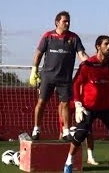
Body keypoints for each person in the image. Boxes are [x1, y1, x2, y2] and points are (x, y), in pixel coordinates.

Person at [63, 35, 109, 173]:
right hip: (88, 107)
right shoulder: (87, 65)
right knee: (80, 135)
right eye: (106, 44)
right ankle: (68, 162)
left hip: (107, 108)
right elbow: (76, 84)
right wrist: (78, 104)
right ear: (98, 46)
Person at [29, 10, 89, 141]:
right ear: (57, 22)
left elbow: (82, 55)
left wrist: (92, 64)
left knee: (65, 104)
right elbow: (38, 53)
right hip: (47, 77)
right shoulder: (48, 36)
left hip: (65, 79)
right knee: (41, 102)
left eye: (68, 21)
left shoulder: (74, 38)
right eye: (64, 21)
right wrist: (34, 70)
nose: (67, 23)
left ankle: (66, 131)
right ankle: (36, 129)